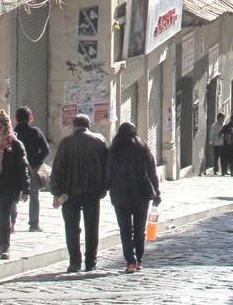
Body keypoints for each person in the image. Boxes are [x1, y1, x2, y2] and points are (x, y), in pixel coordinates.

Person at [50, 114, 108, 273]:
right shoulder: (99, 141)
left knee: (71, 228)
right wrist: (104, 188)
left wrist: (56, 191)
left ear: (73, 126)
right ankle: (90, 262)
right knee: (92, 227)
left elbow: (57, 168)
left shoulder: (66, 143)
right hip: (92, 192)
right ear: (89, 125)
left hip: (69, 193)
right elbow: (106, 167)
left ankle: (74, 262)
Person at [106, 122, 161, 273]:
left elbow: (108, 172)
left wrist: (106, 187)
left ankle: (130, 260)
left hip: (120, 194)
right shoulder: (143, 147)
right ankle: (139, 259)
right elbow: (152, 172)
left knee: (125, 230)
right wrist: (156, 192)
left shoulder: (114, 149)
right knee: (139, 229)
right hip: (141, 194)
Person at [0, 110, 30, 259]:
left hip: (11, 186)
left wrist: (26, 189)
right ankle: (1, 242)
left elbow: (23, 168)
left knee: (4, 215)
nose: (1, 136)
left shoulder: (16, 145)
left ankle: (5, 245)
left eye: (3, 131)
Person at [13, 106, 49, 232]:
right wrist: (36, 162)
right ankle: (34, 224)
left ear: (15, 118)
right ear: (30, 117)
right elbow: (46, 149)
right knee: (34, 196)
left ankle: (11, 223)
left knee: (14, 196)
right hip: (33, 168)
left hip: (16, 168)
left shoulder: (13, 133)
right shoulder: (35, 132)